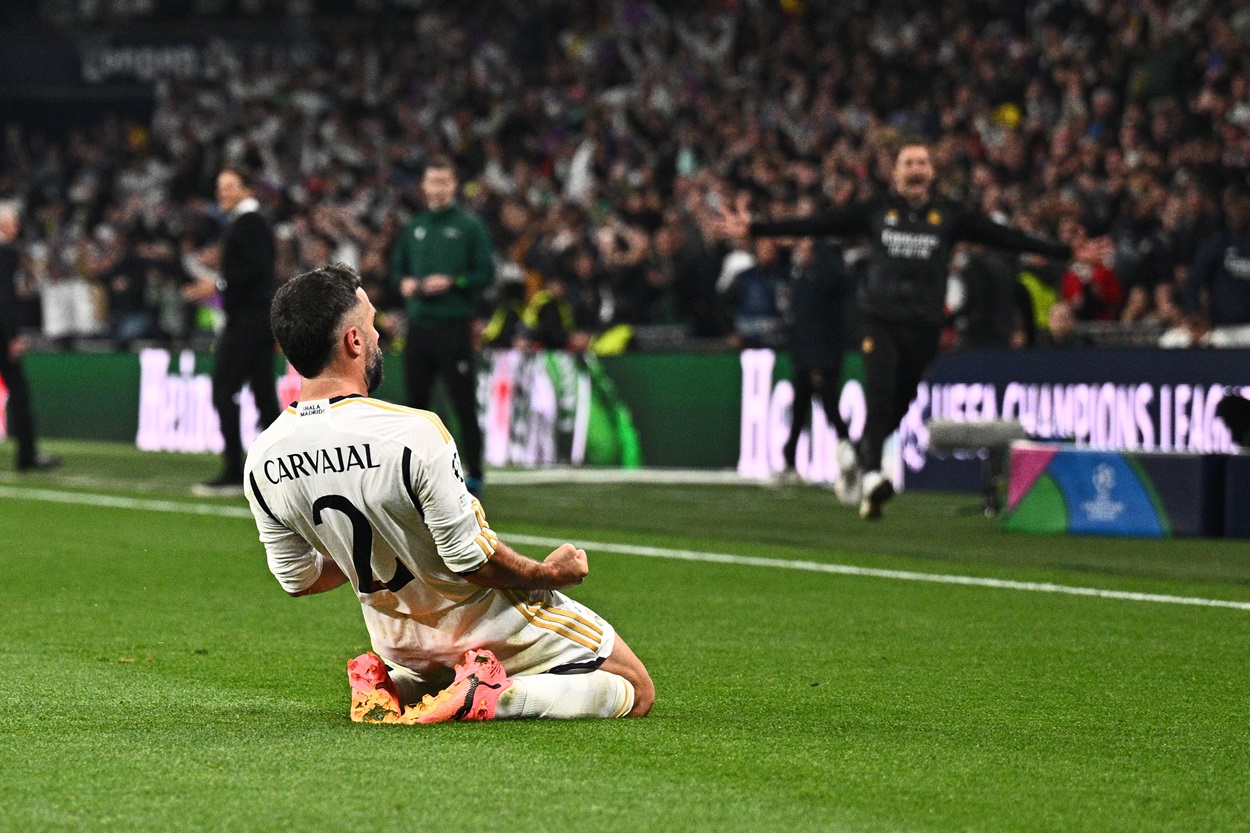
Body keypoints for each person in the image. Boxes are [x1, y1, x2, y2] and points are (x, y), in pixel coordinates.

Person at [245, 263, 653, 724]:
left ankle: (392, 684)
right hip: (486, 625)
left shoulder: (263, 457)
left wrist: (381, 545)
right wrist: (547, 573)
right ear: (353, 342)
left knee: (425, 668)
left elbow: (298, 580)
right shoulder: (412, 432)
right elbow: (471, 561)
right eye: (372, 325)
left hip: (399, 642)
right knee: (635, 689)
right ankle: (495, 694)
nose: (378, 337)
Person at [721, 140, 1111, 519]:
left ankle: (857, 455)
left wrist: (1065, 253)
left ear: (932, 172)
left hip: (924, 325)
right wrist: (755, 230)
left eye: (922, 163)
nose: (915, 170)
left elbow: (1006, 238)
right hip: (879, 318)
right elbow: (818, 224)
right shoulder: (876, 211)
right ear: (895, 174)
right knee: (879, 390)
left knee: (903, 402)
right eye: (908, 163)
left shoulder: (950, 216)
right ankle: (873, 476)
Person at [391, 157, 495, 498]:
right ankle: (414, 471)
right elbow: (397, 272)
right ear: (424, 186)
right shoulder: (415, 227)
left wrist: (454, 281)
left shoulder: (469, 227)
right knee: (415, 405)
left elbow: (486, 274)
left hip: (453, 326)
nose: (438, 188)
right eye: (432, 181)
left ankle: (475, 472)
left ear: (454, 186)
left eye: (444, 182)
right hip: (419, 326)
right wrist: (405, 284)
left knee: (462, 401)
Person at [185, 167, 282, 494]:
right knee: (264, 395)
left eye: (228, 187)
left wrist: (219, 284)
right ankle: (285, 471)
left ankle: (232, 471)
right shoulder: (249, 223)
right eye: (219, 187)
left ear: (247, 189)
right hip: (256, 320)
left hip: (247, 322)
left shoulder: (250, 223)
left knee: (224, 390)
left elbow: (257, 272)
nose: (221, 193)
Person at [774, 238, 856, 495]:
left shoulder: (828, 281)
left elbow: (838, 277)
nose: (801, 254)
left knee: (829, 407)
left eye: (807, 250)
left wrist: (819, 244)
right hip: (805, 357)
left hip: (823, 357)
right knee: (799, 411)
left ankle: (852, 453)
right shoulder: (801, 280)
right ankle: (789, 463)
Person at [0, 202, 60, 472]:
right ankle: (27, 455)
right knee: (20, 394)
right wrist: (12, 336)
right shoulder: (5, 253)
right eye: (13, 222)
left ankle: (28, 454)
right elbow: (4, 299)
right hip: (2, 336)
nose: (17, 227)